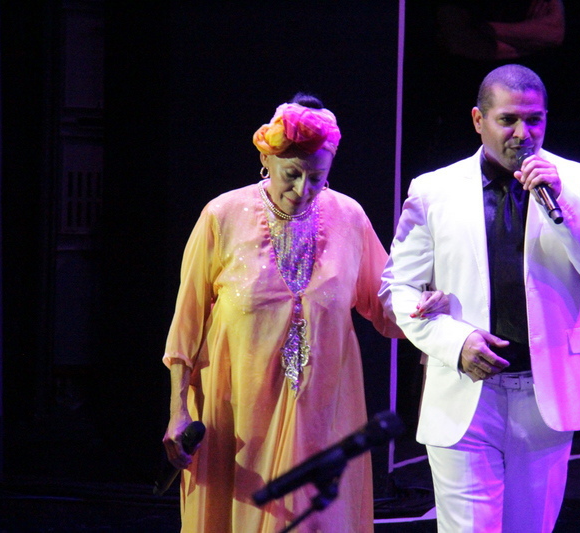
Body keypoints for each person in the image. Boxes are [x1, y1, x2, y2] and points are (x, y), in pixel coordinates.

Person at [379, 64, 580, 532]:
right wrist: (455, 342)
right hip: (464, 393)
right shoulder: (433, 190)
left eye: (534, 120)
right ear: (479, 120)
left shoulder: (577, 182)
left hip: (543, 395)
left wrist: (564, 204)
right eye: (508, 120)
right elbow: (397, 289)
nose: (523, 133)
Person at [160, 93, 404, 533]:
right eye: (292, 174)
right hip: (236, 418)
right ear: (266, 159)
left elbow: (388, 307)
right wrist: (178, 409)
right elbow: (186, 325)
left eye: (317, 178)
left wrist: (427, 306)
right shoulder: (222, 216)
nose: (302, 189)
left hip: (322, 419)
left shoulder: (349, 217)